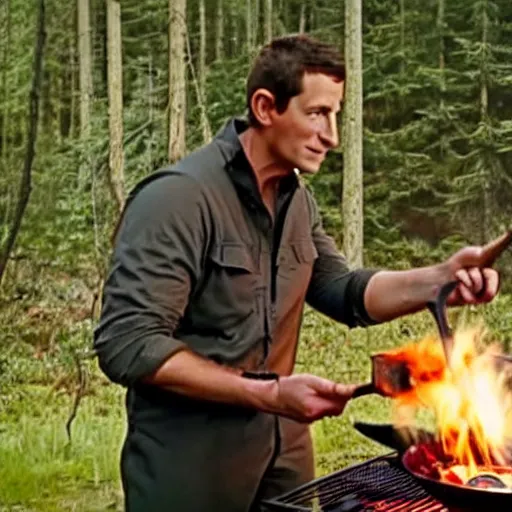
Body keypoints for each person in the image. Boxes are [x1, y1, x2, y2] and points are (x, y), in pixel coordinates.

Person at [94, 34, 500, 512]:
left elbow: (342, 290)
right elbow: (127, 344)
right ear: (266, 108)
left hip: (284, 466)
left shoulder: (297, 202)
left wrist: (440, 278)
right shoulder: (177, 200)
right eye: (316, 114)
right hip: (192, 471)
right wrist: (266, 393)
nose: (331, 135)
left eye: (336, 115)